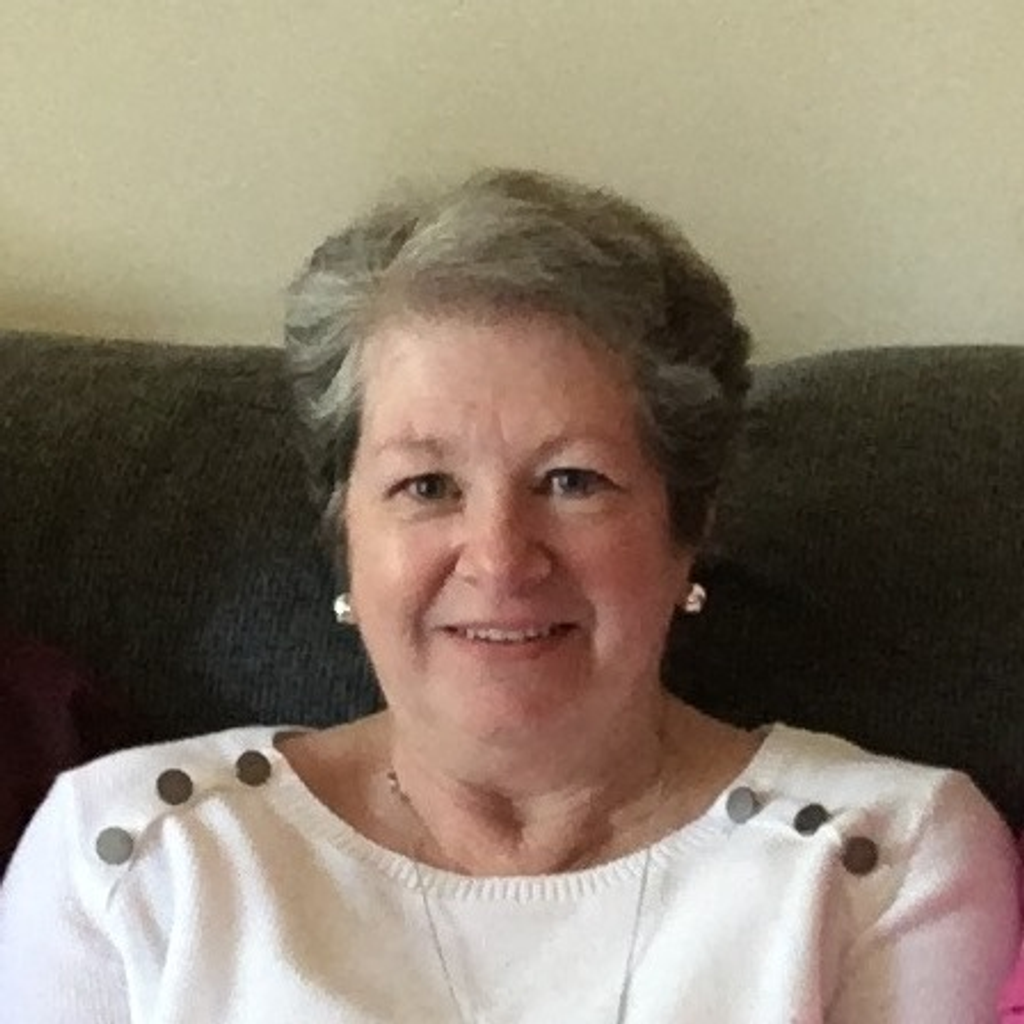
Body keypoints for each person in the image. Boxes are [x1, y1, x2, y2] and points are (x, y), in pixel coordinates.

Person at [0, 168, 1017, 1022]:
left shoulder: (880, 858)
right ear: (344, 534)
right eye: (426, 487)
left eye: (572, 481)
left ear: (691, 524)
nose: (498, 557)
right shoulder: (132, 854)